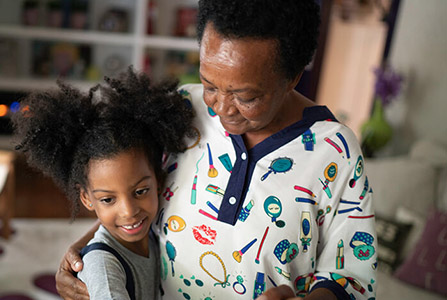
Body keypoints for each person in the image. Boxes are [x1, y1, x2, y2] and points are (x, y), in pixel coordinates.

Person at [56, 0, 377, 299]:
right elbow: (133, 191)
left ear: (292, 78)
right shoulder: (183, 109)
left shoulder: (335, 151)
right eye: (210, 85)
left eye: (246, 97)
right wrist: (86, 250)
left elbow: (353, 276)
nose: (222, 108)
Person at [12, 68, 195, 299]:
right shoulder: (103, 269)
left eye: (140, 191)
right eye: (108, 199)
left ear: (158, 180)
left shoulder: (152, 229)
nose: (129, 211)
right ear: (86, 198)